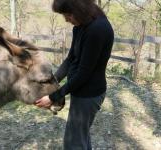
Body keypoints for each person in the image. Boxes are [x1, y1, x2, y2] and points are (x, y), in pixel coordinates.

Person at [35, 0, 114, 149]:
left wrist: (53, 97)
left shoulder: (98, 29)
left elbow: (84, 73)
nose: (66, 19)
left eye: (68, 15)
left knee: (73, 143)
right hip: (80, 91)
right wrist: (53, 80)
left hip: (89, 95)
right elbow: (71, 59)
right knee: (80, 137)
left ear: (80, 10)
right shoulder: (80, 27)